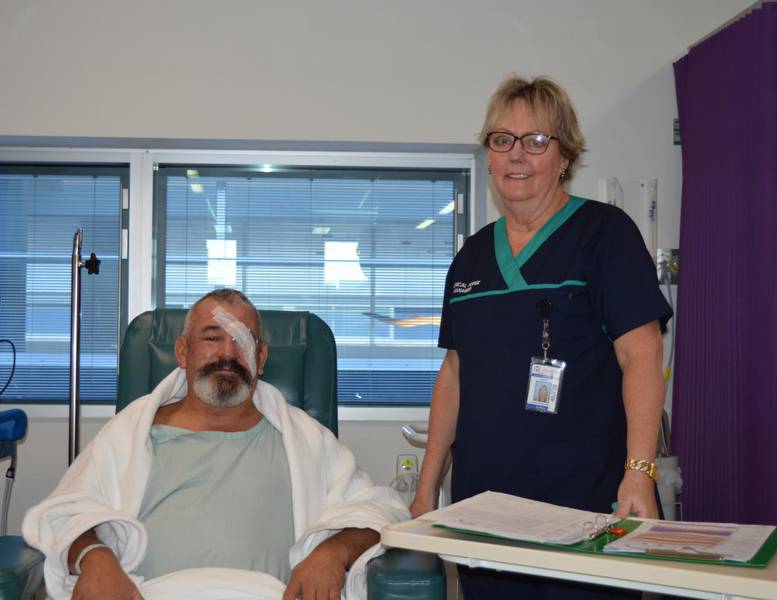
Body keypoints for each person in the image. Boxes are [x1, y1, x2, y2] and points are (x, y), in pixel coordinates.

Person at [410, 76, 672, 599]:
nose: (517, 156)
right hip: (485, 511)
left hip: (586, 505)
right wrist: (426, 490)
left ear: (564, 156)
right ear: (488, 155)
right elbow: (455, 374)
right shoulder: (470, 260)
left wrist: (639, 473)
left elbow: (641, 353)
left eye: (536, 141)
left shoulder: (605, 234)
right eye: (502, 140)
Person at [23, 289, 409, 600]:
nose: (227, 353)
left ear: (260, 359)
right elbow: (65, 513)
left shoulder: (305, 438)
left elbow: (380, 511)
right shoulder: (131, 432)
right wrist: (94, 557)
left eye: (242, 342)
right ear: (182, 352)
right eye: (212, 338)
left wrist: (332, 554)